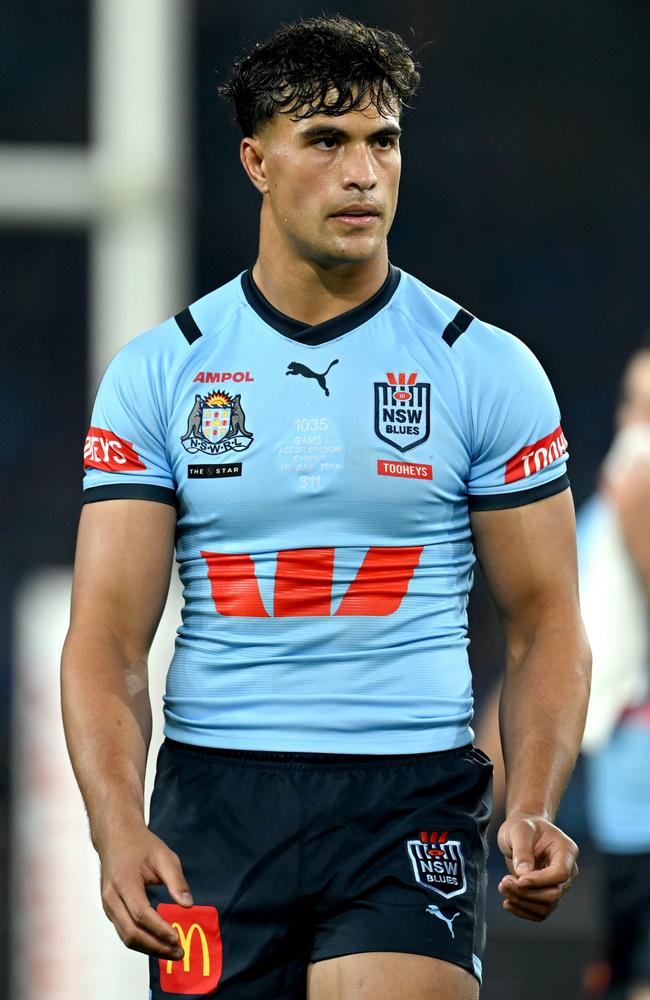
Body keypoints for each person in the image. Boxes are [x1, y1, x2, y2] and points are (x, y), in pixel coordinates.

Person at [61, 16, 591, 1000]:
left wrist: (529, 800)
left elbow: (546, 617)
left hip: (410, 797)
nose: (362, 172)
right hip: (215, 803)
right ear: (256, 160)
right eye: (326, 139)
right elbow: (104, 638)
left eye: (381, 140)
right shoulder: (161, 372)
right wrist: (117, 826)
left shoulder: (484, 368)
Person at [579, 343, 650, 1000]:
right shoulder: (597, 524)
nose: (638, 428)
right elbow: (550, 653)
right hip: (620, 818)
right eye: (633, 405)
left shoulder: (625, 522)